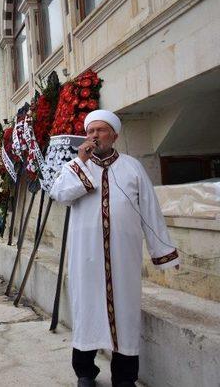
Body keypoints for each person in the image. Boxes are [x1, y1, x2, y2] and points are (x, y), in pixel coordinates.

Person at [49, 110, 180, 387]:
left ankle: (124, 378)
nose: (95, 135)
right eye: (91, 131)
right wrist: (80, 162)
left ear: (115, 135)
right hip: (86, 260)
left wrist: (164, 254)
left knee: (125, 316)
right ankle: (85, 373)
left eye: (101, 130)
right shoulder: (76, 167)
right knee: (87, 314)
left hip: (123, 260)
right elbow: (59, 193)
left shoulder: (132, 168)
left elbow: (151, 213)